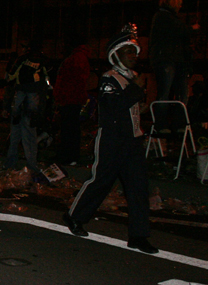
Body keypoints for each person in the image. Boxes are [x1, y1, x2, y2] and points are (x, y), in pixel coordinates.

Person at [63, 24, 158, 254]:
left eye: (135, 52)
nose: (134, 56)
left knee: (138, 189)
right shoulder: (109, 79)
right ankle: (74, 216)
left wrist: (141, 106)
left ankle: (138, 236)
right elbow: (114, 107)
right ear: (116, 54)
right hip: (112, 141)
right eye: (128, 52)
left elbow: (130, 107)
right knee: (101, 182)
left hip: (133, 141)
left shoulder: (132, 78)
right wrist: (136, 90)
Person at [4, 39, 49, 174]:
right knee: (30, 135)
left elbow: (9, 77)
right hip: (33, 100)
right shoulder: (44, 60)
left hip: (19, 100)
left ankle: (10, 166)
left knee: (15, 135)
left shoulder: (21, 59)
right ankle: (32, 167)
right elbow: (47, 82)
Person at [149, 0, 191, 133]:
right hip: (167, 59)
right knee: (166, 92)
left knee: (179, 93)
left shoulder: (169, 18)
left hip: (175, 60)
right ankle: (162, 124)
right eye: (179, 4)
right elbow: (179, 31)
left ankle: (178, 124)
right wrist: (191, 29)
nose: (180, 6)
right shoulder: (163, 17)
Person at [54, 42, 91, 165]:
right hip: (71, 99)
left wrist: (63, 97)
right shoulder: (78, 58)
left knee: (69, 129)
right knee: (70, 129)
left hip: (70, 100)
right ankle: (69, 156)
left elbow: (73, 81)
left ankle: (69, 156)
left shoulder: (76, 59)